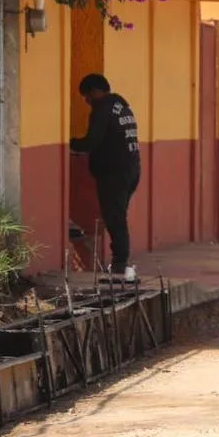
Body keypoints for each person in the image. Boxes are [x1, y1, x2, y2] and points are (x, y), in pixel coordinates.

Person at [69, 73, 141, 281]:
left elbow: (92, 141)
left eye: (86, 96)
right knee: (118, 216)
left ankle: (120, 264)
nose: (86, 101)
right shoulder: (122, 106)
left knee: (114, 218)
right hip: (132, 169)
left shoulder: (102, 109)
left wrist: (71, 143)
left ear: (95, 92)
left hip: (115, 173)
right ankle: (121, 262)